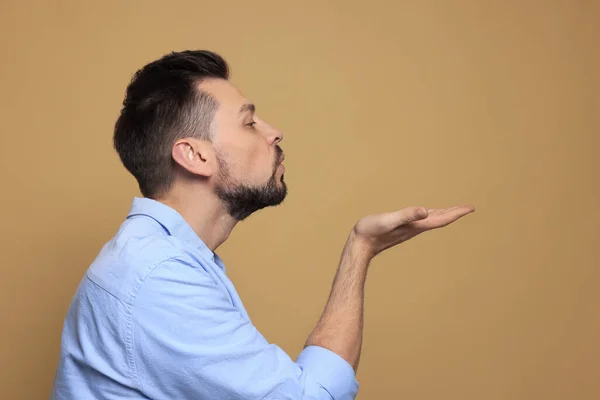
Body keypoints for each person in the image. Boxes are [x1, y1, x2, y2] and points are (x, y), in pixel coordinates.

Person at [50, 50, 474, 400]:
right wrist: (360, 251)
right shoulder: (158, 277)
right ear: (195, 156)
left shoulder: (163, 259)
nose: (274, 132)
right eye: (250, 122)